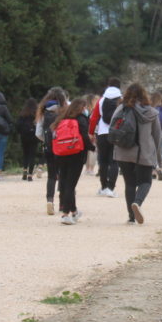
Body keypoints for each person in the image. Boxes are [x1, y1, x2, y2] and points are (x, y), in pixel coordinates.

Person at [112, 83, 162, 225]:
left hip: (124, 152)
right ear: (144, 95)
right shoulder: (151, 113)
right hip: (144, 153)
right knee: (146, 181)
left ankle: (131, 217)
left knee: (129, 183)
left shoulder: (120, 109)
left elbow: (113, 128)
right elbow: (157, 137)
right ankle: (137, 203)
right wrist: (159, 160)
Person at [51, 95, 94, 224]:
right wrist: (92, 147)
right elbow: (85, 138)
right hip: (76, 154)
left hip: (61, 153)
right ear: (81, 108)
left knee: (64, 182)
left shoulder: (62, 118)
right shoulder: (81, 119)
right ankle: (65, 214)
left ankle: (74, 211)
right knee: (71, 184)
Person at [35, 87, 67, 215]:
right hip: (63, 148)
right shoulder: (65, 111)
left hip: (49, 147)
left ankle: (50, 200)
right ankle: (62, 203)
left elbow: (38, 133)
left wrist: (46, 141)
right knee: (63, 175)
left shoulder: (43, 112)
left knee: (51, 176)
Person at [94, 78, 122, 197]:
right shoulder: (122, 100)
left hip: (102, 132)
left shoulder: (101, 100)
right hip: (116, 132)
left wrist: (90, 132)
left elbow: (94, 117)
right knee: (114, 161)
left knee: (103, 161)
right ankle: (111, 188)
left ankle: (103, 187)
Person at [17, 97, 38, 181]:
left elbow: (18, 125)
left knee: (25, 154)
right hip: (34, 136)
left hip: (24, 136)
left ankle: (24, 171)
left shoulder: (23, 113)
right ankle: (30, 175)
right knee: (32, 155)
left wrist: (20, 133)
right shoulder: (36, 114)